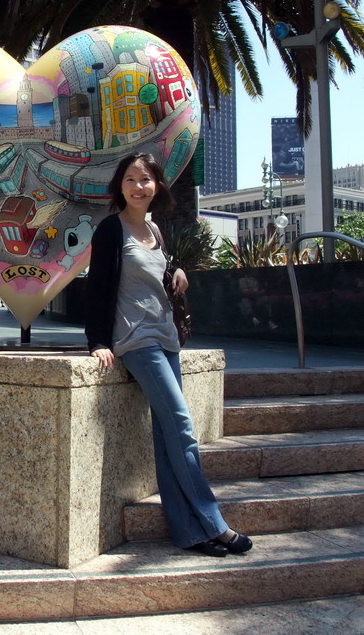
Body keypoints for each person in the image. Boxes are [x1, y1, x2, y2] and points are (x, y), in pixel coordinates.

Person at [84, 153, 252, 558]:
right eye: (130, 179)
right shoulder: (111, 230)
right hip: (136, 341)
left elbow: (152, 274)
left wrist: (175, 271)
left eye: (145, 179)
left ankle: (187, 533)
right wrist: (97, 341)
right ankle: (215, 523)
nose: (138, 186)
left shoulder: (155, 231)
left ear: (157, 185)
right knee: (181, 426)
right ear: (119, 186)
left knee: (166, 437)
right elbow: (98, 287)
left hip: (166, 338)